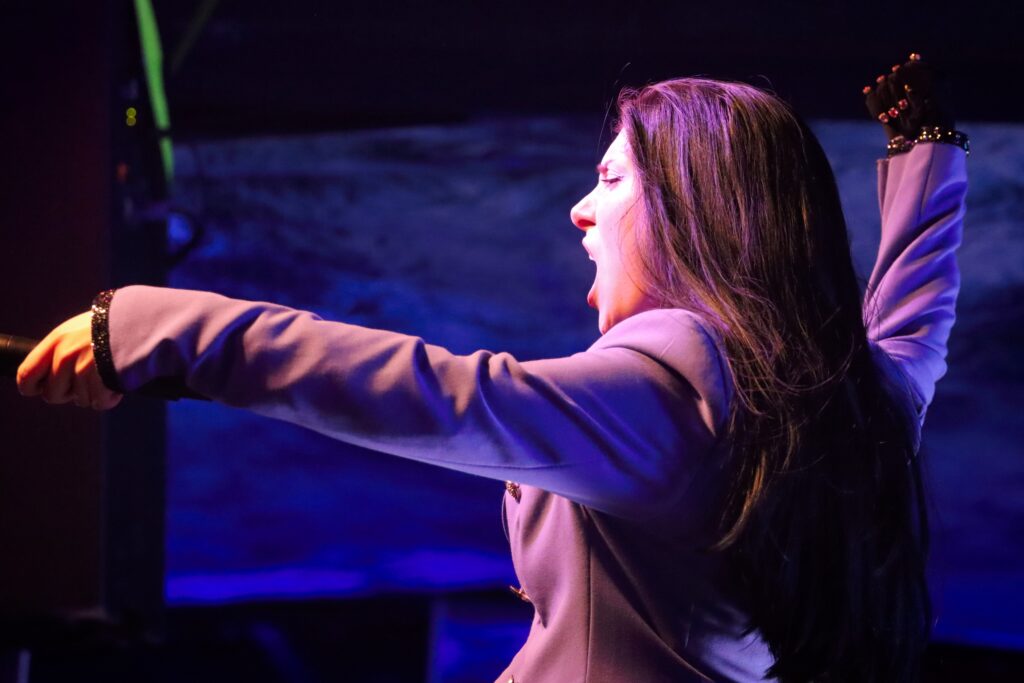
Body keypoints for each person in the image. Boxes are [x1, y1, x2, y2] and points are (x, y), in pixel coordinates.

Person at [17, 55, 967, 682]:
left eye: (611, 179)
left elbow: (436, 394)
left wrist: (156, 325)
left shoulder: (670, 398)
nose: (580, 209)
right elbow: (911, 325)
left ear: (697, 209)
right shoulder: (845, 408)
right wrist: (928, 157)